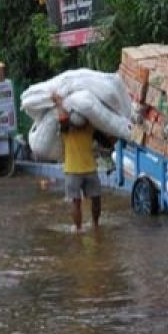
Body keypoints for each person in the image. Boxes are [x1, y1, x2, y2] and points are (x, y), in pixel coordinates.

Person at [53, 91, 101, 231]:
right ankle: (79, 228)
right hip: (73, 169)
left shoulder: (90, 126)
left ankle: (95, 225)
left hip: (89, 168)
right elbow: (63, 121)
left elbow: (104, 135)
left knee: (96, 199)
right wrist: (59, 104)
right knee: (76, 201)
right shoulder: (67, 128)